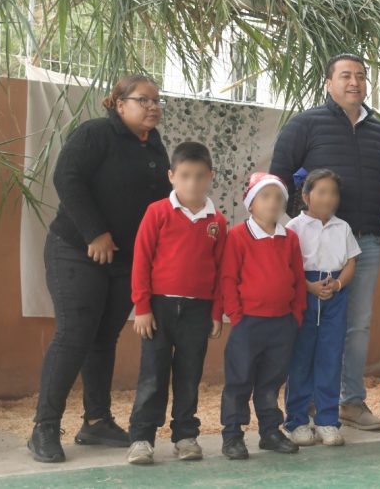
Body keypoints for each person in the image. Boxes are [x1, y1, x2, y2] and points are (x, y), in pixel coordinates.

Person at [29, 75, 172, 463]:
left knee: (103, 338)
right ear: (118, 103)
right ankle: (43, 427)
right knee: (75, 333)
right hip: (76, 249)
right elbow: (67, 178)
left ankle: (96, 422)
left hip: (125, 259)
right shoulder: (95, 134)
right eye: (144, 100)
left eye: (158, 100)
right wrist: (95, 233)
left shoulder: (155, 146)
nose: (154, 106)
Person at [269, 53, 380, 432]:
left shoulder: (379, 131)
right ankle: (300, 405)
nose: (354, 82)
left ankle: (350, 402)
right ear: (328, 83)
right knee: (307, 324)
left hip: (364, 242)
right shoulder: (305, 124)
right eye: (345, 76)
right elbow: (278, 178)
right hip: (312, 246)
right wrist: (300, 224)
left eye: (360, 76)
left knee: (357, 326)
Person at [126, 142, 227, 465]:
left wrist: (216, 312)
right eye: (185, 176)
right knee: (153, 374)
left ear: (210, 176)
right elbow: (141, 260)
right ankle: (142, 438)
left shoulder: (218, 222)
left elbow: (221, 270)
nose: (192, 183)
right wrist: (141, 307)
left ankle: (185, 435)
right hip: (158, 309)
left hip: (198, 311)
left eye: (199, 176)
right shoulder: (157, 213)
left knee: (188, 375)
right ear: (172, 176)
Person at [219, 173, 307, 460]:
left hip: (282, 324)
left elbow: (297, 277)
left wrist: (295, 315)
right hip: (249, 324)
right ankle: (232, 434)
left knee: (271, 381)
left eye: (278, 197)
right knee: (239, 379)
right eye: (265, 196)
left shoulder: (290, 238)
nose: (273, 202)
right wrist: (237, 315)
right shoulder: (237, 236)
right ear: (251, 204)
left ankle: (270, 431)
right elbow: (229, 277)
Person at [284, 170, 360, 448]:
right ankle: (297, 421)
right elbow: (289, 266)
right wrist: (309, 287)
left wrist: (338, 283)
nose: (329, 198)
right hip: (304, 293)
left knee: (330, 356)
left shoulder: (343, 228)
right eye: (322, 192)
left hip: (335, 294)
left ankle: (328, 420)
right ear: (306, 196)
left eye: (334, 193)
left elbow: (352, 262)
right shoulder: (294, 227)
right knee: (301, 357)